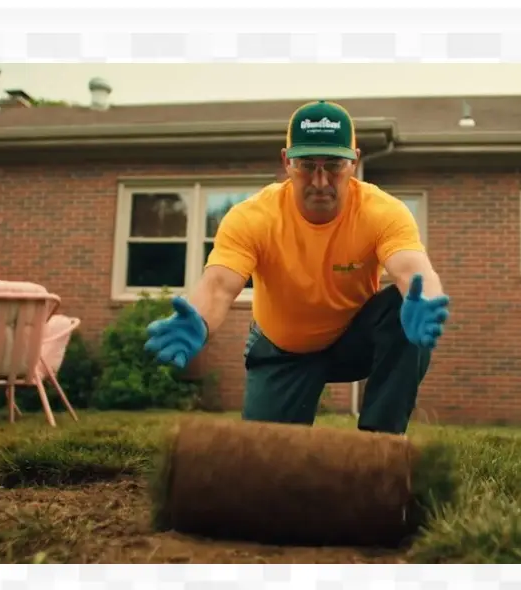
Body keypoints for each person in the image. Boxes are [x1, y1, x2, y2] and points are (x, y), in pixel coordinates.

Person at [144, 100, 450, 435]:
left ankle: (381, 445)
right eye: (306, 165)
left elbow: (413, 270)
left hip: (349, 341)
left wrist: (426, 300)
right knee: (266, 460)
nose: (320, 181)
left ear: (354, 162)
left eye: (333, 165)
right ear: (286, 162)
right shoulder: (253, 217)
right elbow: (219, 285)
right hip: (282, 349)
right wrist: (199, 320)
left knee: (403, 307)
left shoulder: (383, 211)